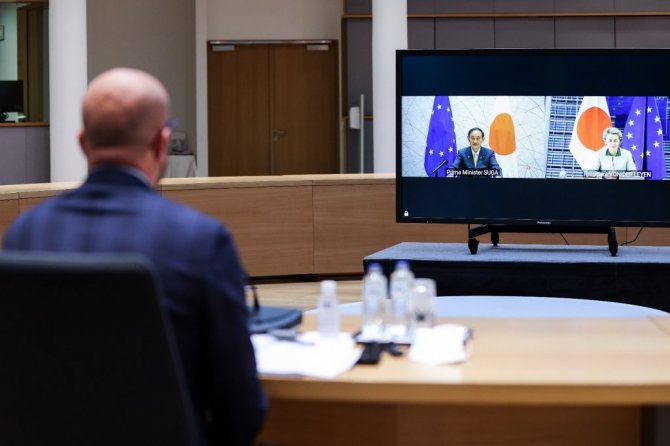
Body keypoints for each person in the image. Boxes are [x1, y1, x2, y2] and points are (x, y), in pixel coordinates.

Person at [2, 68, 266, 446]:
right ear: (162, 143)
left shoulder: (25, 233)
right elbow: (241, 411)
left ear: (82, 143)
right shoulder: (201, 240)